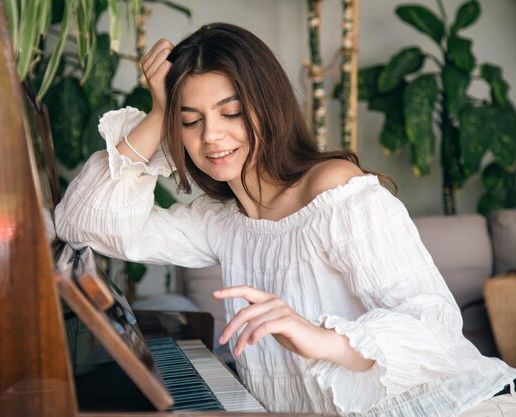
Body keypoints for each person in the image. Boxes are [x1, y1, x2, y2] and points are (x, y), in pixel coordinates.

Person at [55, 23, 516, 417]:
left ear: (268, 106)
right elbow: (82, 223)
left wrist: (318, 338)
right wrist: (158, 112)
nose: (212, 135)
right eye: (189, 120)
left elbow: (435, 327)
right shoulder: (221, 221)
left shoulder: (334, 190)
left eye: (231, 112)